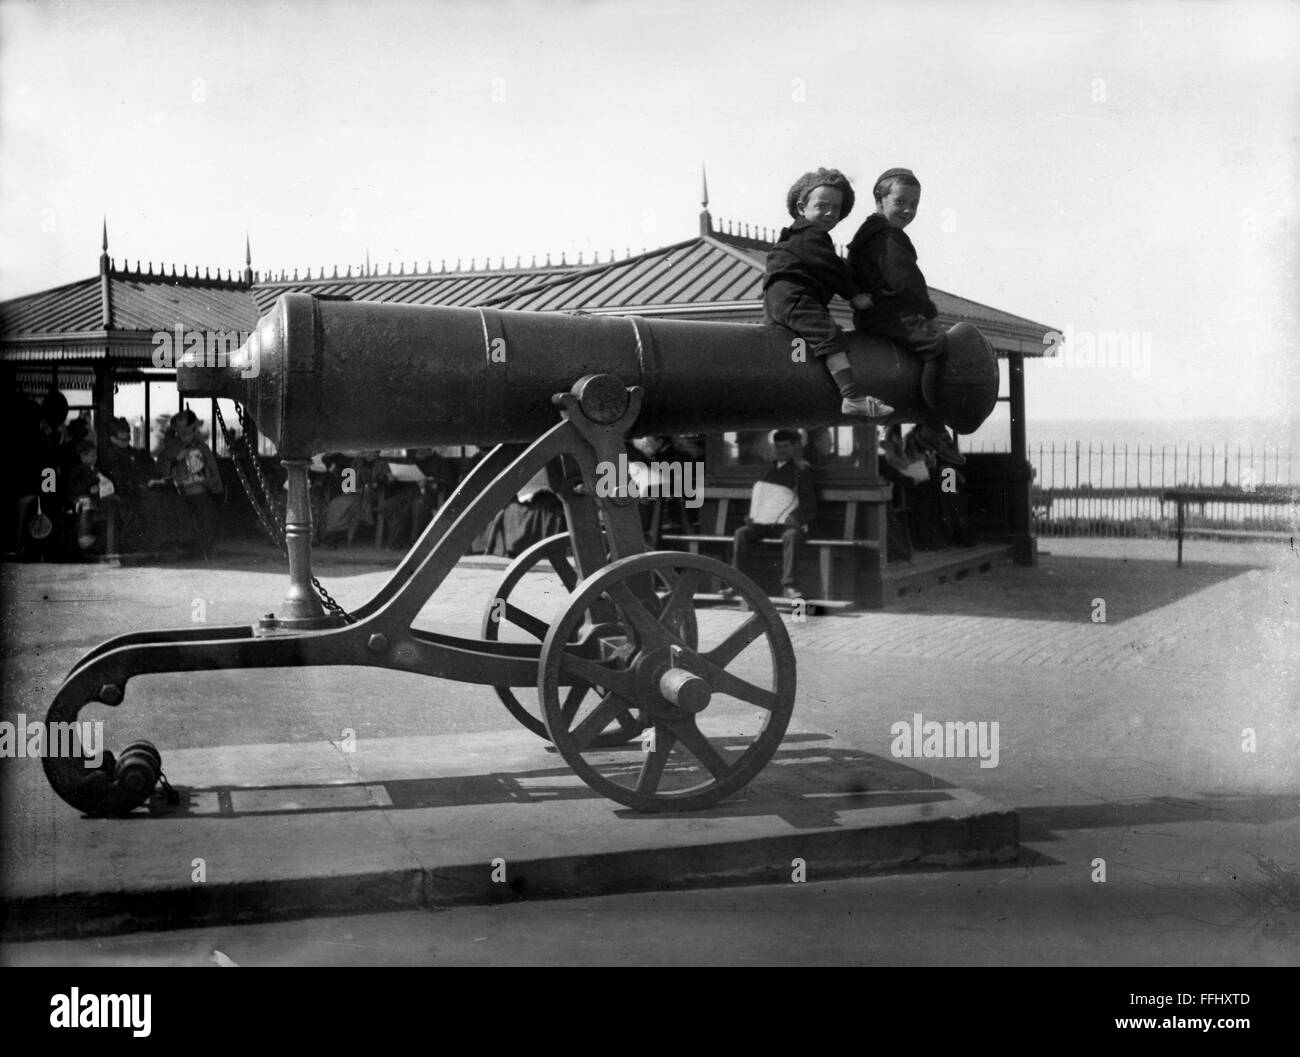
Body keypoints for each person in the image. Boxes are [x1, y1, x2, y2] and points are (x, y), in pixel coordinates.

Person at [847, 167, 965, 465]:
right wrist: (927, 312)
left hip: (876, 314)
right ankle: (933, 429)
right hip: (890, 314)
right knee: (939, 347)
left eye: (914, 203)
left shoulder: (870, 234)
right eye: (900, 202)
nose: (908, 209)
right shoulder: (887, 237)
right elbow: (905, 283)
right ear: (879, 199)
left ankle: (901, 429)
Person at [764, 168, 894, 419]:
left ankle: (800, 377)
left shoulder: (795, 236)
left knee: (797, 341)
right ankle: (852, 397)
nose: (829, 213)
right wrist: (854, 295)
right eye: (822, 206)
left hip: (778, 302)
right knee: (829, 335)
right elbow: (832, 267)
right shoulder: (813, 236)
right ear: (802, 208)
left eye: (836, 209)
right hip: (795, 297)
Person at [724, 428, 818, 599]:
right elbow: (760, 498)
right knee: (741, 533)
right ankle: (737, 585)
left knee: (792, 536)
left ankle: (789, 586)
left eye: (786, 446)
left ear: (793, 448)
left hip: (786, 525)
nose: (781, 450)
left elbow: (809, 504)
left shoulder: (801, 472)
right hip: (763, 524)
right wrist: (751, 516)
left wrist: (796, 517)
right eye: (778, 446)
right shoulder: (767, 472)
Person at [155, 409, 223, 557]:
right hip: (178, 494)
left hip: (202, 491)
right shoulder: (171, 449)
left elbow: (213, 469)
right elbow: (161, 467)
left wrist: (212, 483)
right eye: (181, 432)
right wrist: (176, 460)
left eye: (189, 432)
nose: (185, 436)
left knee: (209, 518)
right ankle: (188, 549)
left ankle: (203, 549)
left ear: (194, 430)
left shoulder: (202, 447)